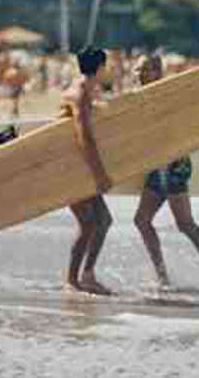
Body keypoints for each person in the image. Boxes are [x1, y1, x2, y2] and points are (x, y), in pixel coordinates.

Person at [132, 54, 199, 294]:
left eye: (142, 69)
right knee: (143, 220)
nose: (137, 73)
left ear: (155, 72)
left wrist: (168, 159)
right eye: (136, 69)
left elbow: (180, 128)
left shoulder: (167, 96)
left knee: (184, 223)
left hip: (173, 165)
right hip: (159, 165)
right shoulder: (143, 97)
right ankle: (164, 277)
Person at [59, 46, 114, 295]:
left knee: (103, 220)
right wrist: (100, 173)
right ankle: (72, 280)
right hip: (71, 166)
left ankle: (87, 275)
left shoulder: (88, 90)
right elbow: (84, 136)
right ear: (100, 68)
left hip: (81, 165)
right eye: (107, 66)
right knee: (89, 222)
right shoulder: (79, 92)